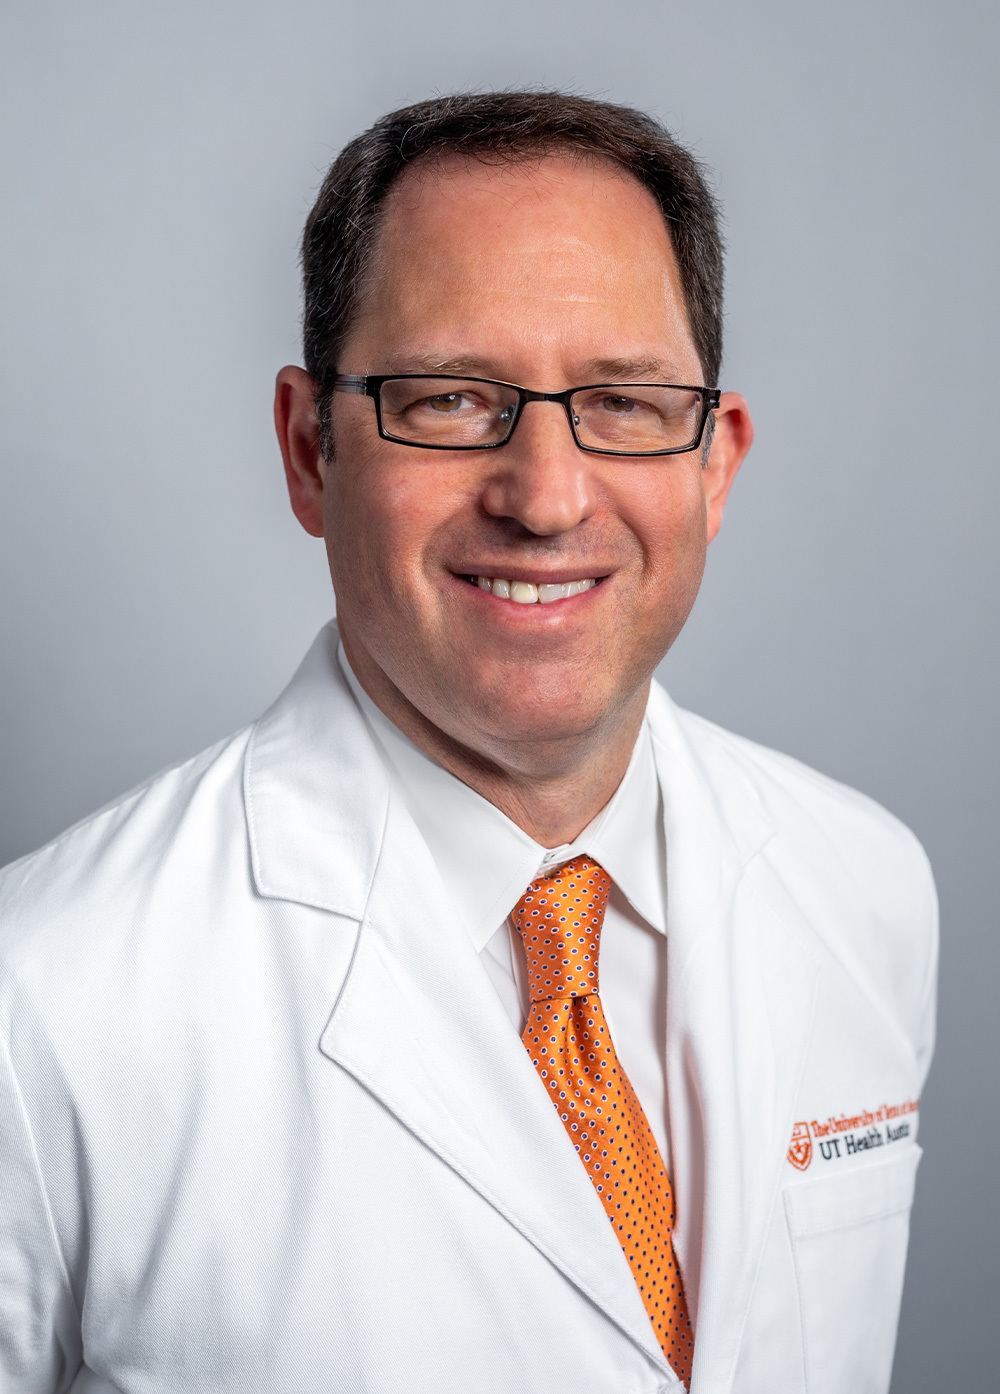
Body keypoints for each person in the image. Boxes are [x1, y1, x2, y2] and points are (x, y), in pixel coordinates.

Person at [0, 91, 936, 1394]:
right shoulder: (41, 1005)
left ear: (715, 464)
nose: (548, 496)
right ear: (307, 449)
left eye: (623, 400)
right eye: (450, 399)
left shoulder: (869, 887)